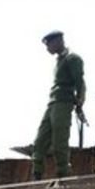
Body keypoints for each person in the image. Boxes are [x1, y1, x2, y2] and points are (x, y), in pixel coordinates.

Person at [32, 31, 86, 180]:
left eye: (48, 44)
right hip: (53, 103)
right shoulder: (59, 61)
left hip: (63, 103)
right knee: (39, 141)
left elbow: (80, 83)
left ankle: (63, 174)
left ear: (58, 41)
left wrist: (80, 102)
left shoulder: (72, 59)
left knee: (59, 142)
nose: (47, 48)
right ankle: (37, 172)